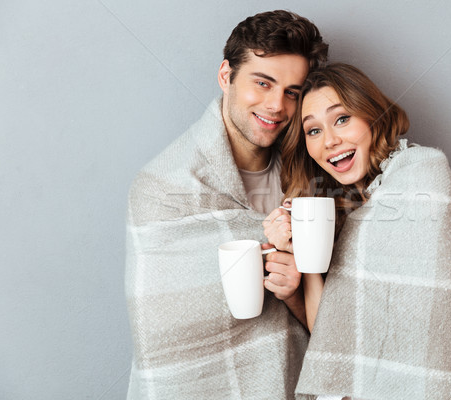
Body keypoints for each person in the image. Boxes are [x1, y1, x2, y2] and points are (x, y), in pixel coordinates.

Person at [125, 11, 327, 399]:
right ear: (226, 76)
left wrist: (294, 294)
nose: (276, 106)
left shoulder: (312, 175)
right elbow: (164, 341)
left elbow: (341, 324)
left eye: (292, 92)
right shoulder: (161, 188)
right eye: (263, 83)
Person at [264, 64, 451, 399]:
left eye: (342, 118)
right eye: (313, 131)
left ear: (372, 115)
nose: (331, 141)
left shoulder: (424, 178)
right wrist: (301, 253)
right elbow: (336, 344)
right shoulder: (344, 210)